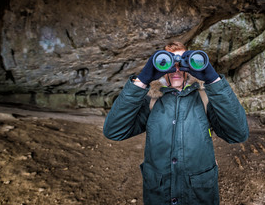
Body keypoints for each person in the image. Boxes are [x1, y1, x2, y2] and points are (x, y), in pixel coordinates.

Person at [103, 41, 249, 205]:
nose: (176, 70)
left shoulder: (207, 101)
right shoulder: (151, 104)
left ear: (191, 66)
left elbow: (238, 134)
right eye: (168, 63)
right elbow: (114, 131)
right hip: (159, 195)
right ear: (160, 69)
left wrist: (213, 80)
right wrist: (142, 80)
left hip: (199, 196)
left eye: (182, 64)